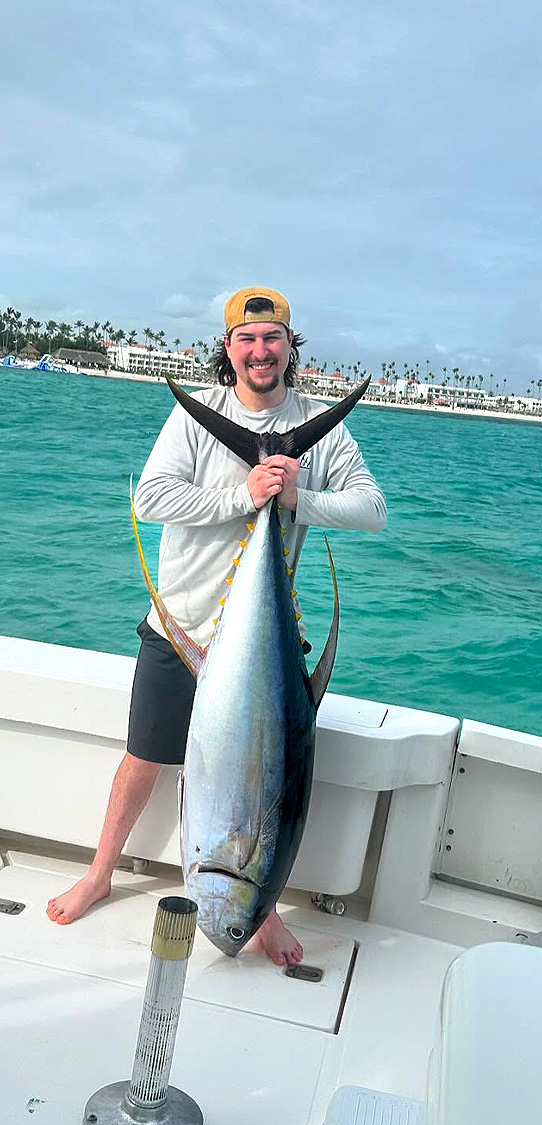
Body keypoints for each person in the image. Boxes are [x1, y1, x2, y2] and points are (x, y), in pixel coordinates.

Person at [46, 287, 387, 964]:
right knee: (144, 757)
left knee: (266, 784)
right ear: (228, 350)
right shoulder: (198, 420)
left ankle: (258, 919)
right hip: (181, 626)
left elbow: (372, 509)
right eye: (246, 340)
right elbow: (151, 498)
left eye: (272, 338)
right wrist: (247, 494)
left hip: (262, 649)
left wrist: (298, 495)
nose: (260, 352)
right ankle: (99, 873)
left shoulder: (323, 426)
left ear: (291, 345)